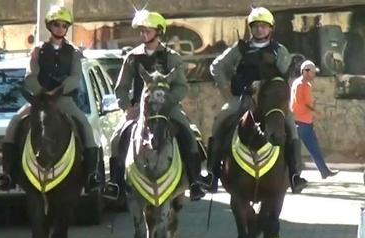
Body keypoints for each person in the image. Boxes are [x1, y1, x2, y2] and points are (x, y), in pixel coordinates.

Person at [103, 10, 206, 201]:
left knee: (188, 133)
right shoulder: (132, 57)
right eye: (141, 31)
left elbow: (181, 86)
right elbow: (122, 87)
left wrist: (169, 102)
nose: (143, 34)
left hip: (167, 106)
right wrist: (127, 107)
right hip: (140, 109)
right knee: (117, 137)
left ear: (158, 32)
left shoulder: (172, 57)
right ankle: (115, 182)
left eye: (147, 30)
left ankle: (195, 181)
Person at [0, 5, 103, 191]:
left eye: (64, 25)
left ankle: (91, 175)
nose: (60, 29)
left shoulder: (72, 52)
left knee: (85, 126)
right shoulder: (38, 50)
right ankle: (7, 174)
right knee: (14, 123)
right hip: (40, 99)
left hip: (63, 100)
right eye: (56, 25)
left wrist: (59, 90)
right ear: (49, 26)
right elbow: (30, 75)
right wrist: (41, 92)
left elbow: (76, 77)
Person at [208, 7, 308, 194]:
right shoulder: (240, 49)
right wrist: (225, 90)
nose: (260, 30)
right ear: (251, 28)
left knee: (291, 125)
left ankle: (295, 174)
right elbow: (216, 66)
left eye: (264, 26)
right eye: (256, 26)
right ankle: (212, 174)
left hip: (270, 102)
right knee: (221, 120)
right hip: (243, 98)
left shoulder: (280, 51)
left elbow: (285, 77)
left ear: (271, 28)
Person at [291, 60, 339, 179]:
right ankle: (322, 172)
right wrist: (315, 112)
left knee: (303, 149)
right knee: (313, 148)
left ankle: (322, 171)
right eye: (312, 72)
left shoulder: (299, 83)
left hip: (300, 120)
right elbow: (300, 102)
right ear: (305, 71)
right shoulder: (302, 84)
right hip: (302, 121)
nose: (314, 75)